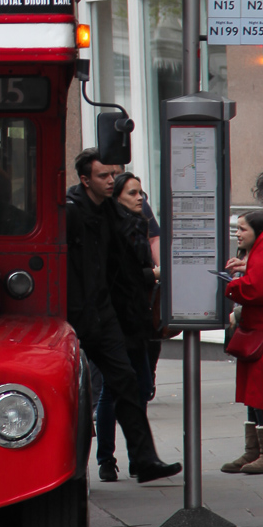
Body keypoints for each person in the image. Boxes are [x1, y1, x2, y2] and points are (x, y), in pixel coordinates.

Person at [66, 148, 181, 483]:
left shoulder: (112, 213)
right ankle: (81, 466)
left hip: (105, 314)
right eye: (103, 175)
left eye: (113, 174)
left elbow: (127, 270)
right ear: (85, 179)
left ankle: (144, 460)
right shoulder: (72, 213)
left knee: (127, 383)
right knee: (77, 393)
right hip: (76, 316)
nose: (110, 180)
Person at [94, 172, 159, 481]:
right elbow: (123, 276)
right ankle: (109, 458)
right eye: (133, 193)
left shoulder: (136, 225)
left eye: (141, 193)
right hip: (119, 320)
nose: (140, 198)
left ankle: (137, 457)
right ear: (117, 197)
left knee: (138, 387)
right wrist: (153, 275)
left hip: (137, 319)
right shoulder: (116, 227)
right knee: (117, 388)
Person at [221, 211, 263, 473]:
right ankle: (253, 450)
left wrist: (230, 287)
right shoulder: (253, 253)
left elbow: (255, 288)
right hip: (253, 331)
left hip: (258, 332)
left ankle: (259, 452)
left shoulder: (259, 252)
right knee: (251, 394)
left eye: (242, 229)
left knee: (258, 394)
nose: (237, 233)